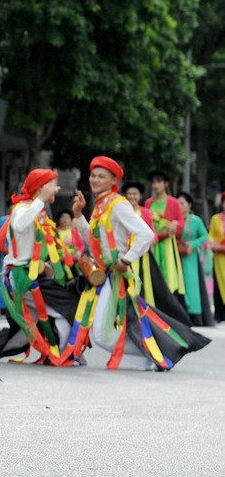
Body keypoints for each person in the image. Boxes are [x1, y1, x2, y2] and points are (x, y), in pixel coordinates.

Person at [72, 157, 209, 370]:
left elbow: (146, 234)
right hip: (103, 275)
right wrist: (78, 214)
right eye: (93, 175)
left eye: (101, 176)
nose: (95, 180)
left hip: (116, 276)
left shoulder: (118, 204)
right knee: (105, 331)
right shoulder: (101, 205)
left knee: (101, 333)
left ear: (112, 180)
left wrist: (126, 259)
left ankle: (152, 358)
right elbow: (93, 240)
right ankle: (151, 359)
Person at [0, 169, 85, 366]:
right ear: (41, 188)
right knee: (65, 308)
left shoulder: (36, 211)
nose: (57, 189)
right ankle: (63, 352)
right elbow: (19, 225)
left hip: (29, 274)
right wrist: (40, 200)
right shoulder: (22, 209)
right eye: (52, 185)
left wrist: (44, 264)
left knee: (27, 326)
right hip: (21, 276)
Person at [121, 181, 191, 327]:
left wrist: (155, 238)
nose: (132, 196)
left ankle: (145, 315)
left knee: (146, 283)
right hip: (124, 254)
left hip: (143, 255)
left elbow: (152, 232)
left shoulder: (146, 212)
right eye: (129, 194)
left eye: (135, 194)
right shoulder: (121, 210)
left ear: (139, 196)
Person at [145, 170, 186, 302]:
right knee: (151, 275)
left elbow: (181, 222)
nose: (155, 185)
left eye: (158, 182)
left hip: (167, 245)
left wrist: (175, 223)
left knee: (167, 276)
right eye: (153, 182)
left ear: (166, 184)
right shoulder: (148, 203)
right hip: (151, 244)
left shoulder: (173, 202)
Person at [177, 192, 214, 326]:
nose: (180, 206)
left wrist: (193, 244)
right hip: (175, 255)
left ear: (189, 205)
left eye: (182, 203)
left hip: (190, 257)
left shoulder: (195, 220)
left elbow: (204, 236)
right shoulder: (173, 220)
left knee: (191, 285)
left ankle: (194, 317)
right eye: (178, 203)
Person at [208, 193, 225, 322]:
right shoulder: (216, 219)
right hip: (219, 257)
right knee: (219, 284)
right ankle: (219, 314)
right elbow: (211, 235)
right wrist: (212, 242)